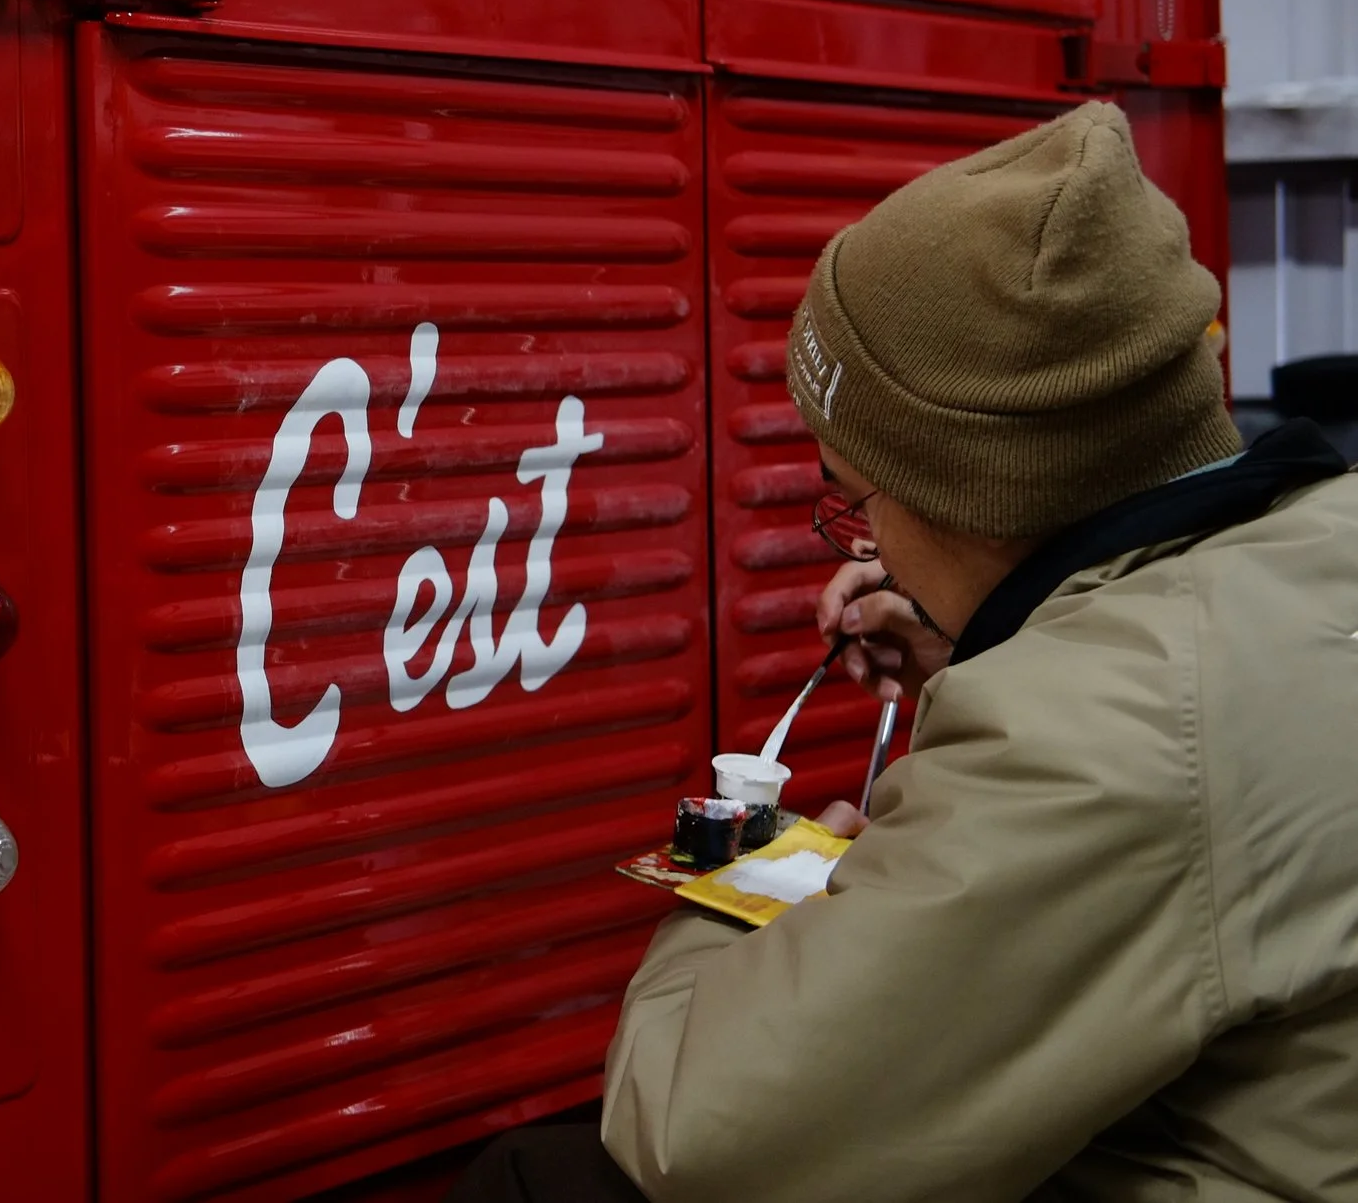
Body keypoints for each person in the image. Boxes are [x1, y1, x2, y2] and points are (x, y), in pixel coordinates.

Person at [449, 103, 1358, 1202]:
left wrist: (735, 882)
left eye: (855, 494)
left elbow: (711, 1135)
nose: (862, 541)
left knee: (543, 1182)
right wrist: (1001, 644)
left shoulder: (1097, 733)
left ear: (981, 494)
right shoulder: (1316, 547)